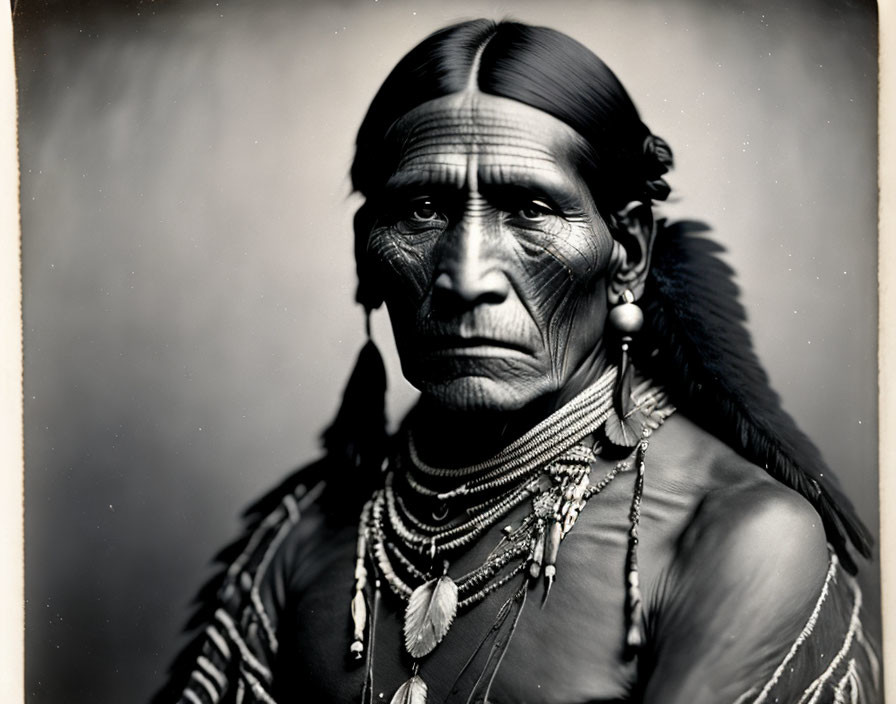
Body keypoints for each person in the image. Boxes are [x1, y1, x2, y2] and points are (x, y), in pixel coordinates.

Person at [155, 19, 879, 704]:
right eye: (420, 211)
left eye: (530, 209)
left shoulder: (738, 541)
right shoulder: (302, 537)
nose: (468, 274)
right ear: (363, 252)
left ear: (625, 252)